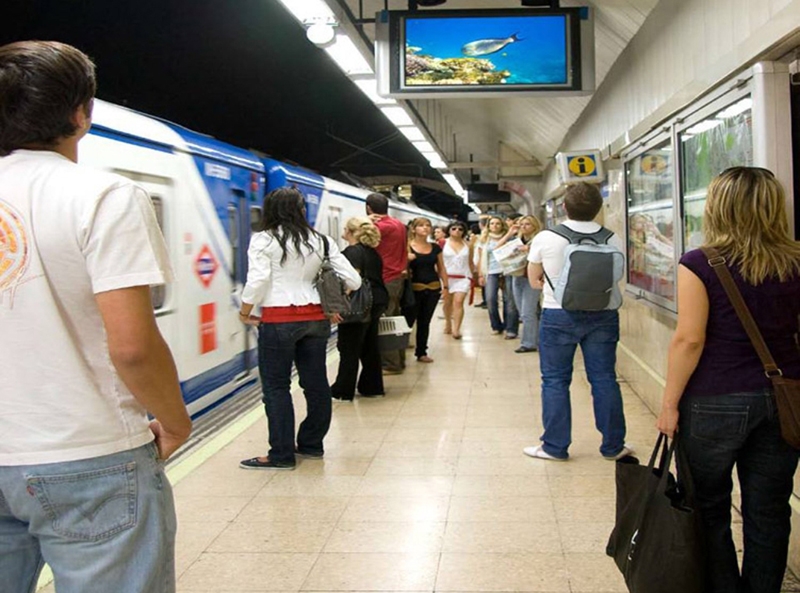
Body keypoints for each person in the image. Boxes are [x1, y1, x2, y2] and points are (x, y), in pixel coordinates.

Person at [0, 41, 192, 592]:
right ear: (82, 114)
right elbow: (132, 345)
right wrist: (175, 421)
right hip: (88, 455)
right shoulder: (105, 195)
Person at [656, 167, 800, 593]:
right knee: (770, 510)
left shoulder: (700, 263)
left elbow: (690, 339)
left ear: (717, 207)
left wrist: (669, 404)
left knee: (708, 507)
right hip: (785, 399)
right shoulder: (795, 259)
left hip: (713, 399)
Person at [238, 188, 360, 469]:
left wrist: (245, 312)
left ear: (271, 210)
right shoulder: (322, 241)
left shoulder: (264, 240)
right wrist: (334, 301)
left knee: (276, 387)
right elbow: (353, 280)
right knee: (315, 384)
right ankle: (311, 444)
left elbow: (258, 281)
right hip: (316, 320)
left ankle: (281, 455)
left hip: (278, 319)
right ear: (301, 210)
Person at [524, 182, 630, 461]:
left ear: (564, 207)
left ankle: (554, 447)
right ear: (598, 208)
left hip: (558, 315)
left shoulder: (546, 238)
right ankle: (614, 447)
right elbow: (617, 276)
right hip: (603, 315)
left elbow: (534, 280)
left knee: (555, 381)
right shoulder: (613, 238)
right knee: (604, 379)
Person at [331, 217, 389, 400]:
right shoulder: (372, 252)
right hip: (377, 300)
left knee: (349, 346)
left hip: (359, 303)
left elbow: (352, 281)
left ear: (351, 232)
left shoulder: (352, 252)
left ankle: (343, 390)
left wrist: (339, 304)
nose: (343, 231)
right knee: (370, 346)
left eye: (345, 228)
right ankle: (372, 387)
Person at [366, 192, 408, 374]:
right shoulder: (399, 225)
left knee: (385, 322)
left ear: (369, 208)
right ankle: (399, 359)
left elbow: (358, 238)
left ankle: (391, 363)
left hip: (384, 278)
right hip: (396, 277)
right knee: (394, 320)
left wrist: (366, 222)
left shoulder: (380, 227)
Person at [407, 217, 447, 362]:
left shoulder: (435, 248)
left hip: (433, 288)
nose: (425, 228)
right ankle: (399, 351)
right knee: (408, 320)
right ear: (413, 229)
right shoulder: (407, 247)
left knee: (425, 321)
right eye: (421, 225)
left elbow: (441, 268)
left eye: (427, 225)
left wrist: (446, 286)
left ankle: (421, 351)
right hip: (413, 289)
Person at [505, 215, 543, 353]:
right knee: (523, 311)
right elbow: (497, 249)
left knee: (528, 312)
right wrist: (510, 233)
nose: (524, 227)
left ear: (534, 226)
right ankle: (537, 339)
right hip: (517, 275)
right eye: (521, 224)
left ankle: (528, 343)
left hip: (532, 278)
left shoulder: (539, 240)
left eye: (527, 224)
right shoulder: (516, 240)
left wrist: (529, 249)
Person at [476, 216, 510, 335]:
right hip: (490, 271)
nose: (494, 226)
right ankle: (496, 325)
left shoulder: (508, 238)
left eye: (497, 224)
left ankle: (508, 325)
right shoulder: (484, 240)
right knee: (490, 299)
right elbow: (480, 258)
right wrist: (480, 275)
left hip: (506, 271)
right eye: (492, 224)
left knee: (508, 300)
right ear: (488, 226)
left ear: (502, 225)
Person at [442, 221, 474, 339]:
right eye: (454, 228)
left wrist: (475, 276)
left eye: (460, 229)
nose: (457, 231)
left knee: (458, 302)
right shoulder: (442, 243)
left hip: (463, 277)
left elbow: (470, 262)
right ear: (449, 230)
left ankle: (456, 329)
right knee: (447, 302)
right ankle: (448, 322)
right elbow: (438, 262)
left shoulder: (468, 245)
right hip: (446, 277)